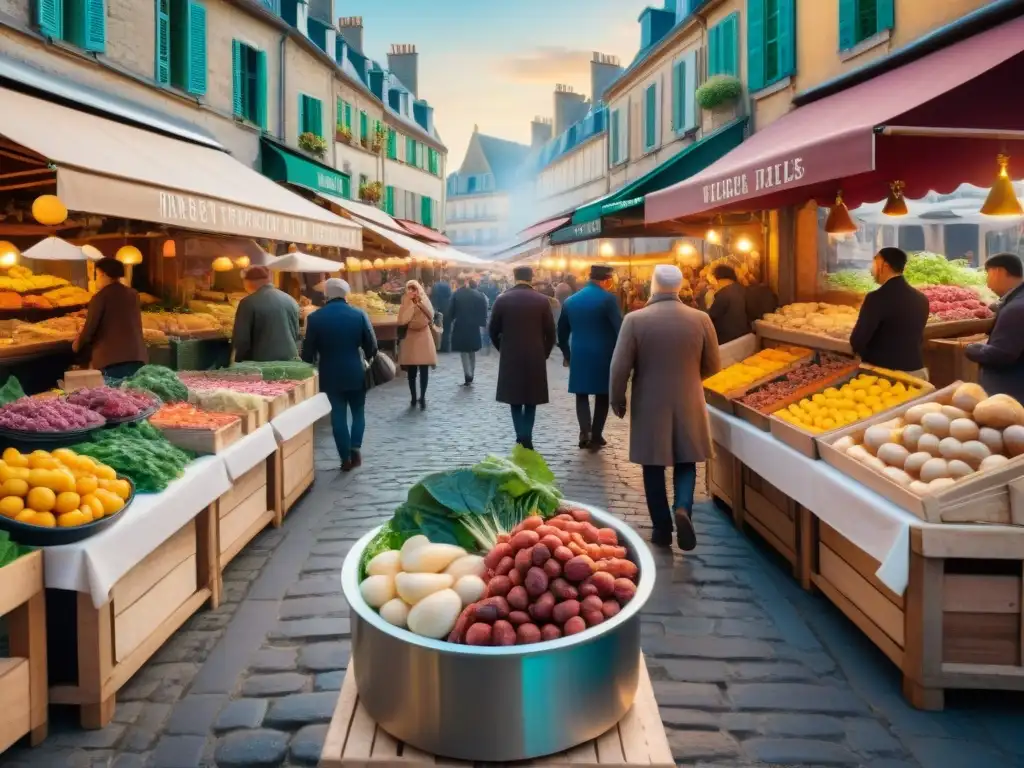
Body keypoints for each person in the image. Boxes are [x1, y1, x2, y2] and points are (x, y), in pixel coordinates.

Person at [610, 264, 721, 550]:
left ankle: (661, 529)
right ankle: (682, 507)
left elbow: (619, 366)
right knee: (687, 459)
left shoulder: (635, 320)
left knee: (653, 464)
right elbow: (713, 365)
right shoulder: (701, 319)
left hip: (649, 400)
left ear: (654, 286)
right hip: (689, 397)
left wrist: (617, 397)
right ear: (680, 286)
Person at [301, 279, 377, 471]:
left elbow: (307, 353)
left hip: (329, 372)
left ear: (326, 294)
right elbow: (371, 346)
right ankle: (355, 446)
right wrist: (366, 357)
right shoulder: (359, 315)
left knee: (338, 416)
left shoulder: (315, 317)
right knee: (358, 412)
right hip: (355, 370)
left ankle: (345, 458)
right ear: (346, 293)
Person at [489, 266, 556, 449]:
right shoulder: (542, 301)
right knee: (531, 398)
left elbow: (492, 330)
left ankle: (521, 435)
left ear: (514, 277)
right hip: (535, 354)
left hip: (511, 353)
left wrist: (502, 348)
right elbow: (551, 332)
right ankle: (527, 435)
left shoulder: (502, 300)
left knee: (515, 398)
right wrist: (545, 353)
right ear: (531, 277)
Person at [558, 264, 622, 450]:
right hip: (604, 353)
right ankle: (597, 434)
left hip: (579, 352)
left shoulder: (571, 301)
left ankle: (584, 431)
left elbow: (561, 332)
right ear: (607, 279)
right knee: (603, 395)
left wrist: (566, 353)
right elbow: (620, 329)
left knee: (581, 393)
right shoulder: (608, 299)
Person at [849, 247, 930, 376]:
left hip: (886, 375)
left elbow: (858, 340)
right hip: (917, 371)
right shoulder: (922, 299)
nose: (872, 269)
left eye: (875, 261)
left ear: (885, 265)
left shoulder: (876, 298)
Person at [73, 257, 147, 379]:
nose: (96, 280)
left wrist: (77, 345)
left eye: (96, 275)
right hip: (136, 356)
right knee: (132, 395)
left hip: (112, 360)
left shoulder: (101, 297)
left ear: (104, 275)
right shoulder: (133, 294)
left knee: (115, 396)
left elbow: (90, 328)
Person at [966, 253, 1024, 402]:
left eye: (987, 274)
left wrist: (972, 348)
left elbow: (1001, 355)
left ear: (997, 272)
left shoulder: (1016, 308)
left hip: (1010, 394)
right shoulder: (1015, 302)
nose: (987, 282)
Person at [232, 265, 300, 362]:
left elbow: (242, 340)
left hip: (261, 364)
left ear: (248, 282)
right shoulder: (290, 300)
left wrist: (238, 361)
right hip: (290, 361)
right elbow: (296, 333)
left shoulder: (248, 302)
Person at [398, 280, 437, 409]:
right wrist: (410, 305)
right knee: (412, 371)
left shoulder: (424, 300)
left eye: (413, 289)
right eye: (408, 289)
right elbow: (402, 320)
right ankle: (414, 397)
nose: (411, 292)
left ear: (418, 289)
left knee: (424, 369)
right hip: (411, 337)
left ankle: (423, 397)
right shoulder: (405, 301)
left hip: (423, 336)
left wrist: (418, 303)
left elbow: (430, 316)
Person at [448, 277, 489, 386]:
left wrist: (450, 320)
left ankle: (468, 374)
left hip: (461, 324)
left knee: (464, 351)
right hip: (474, 325)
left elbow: (451, 310)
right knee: (472, 350)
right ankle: (471, 373)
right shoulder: (477, 294)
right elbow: (483, 307)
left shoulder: (456, 294)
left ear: (457, 283)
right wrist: (482, 322)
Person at [706, 265, 750, 345]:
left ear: (718, 278)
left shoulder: (724, 294)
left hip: (727, 340)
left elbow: (711, 317)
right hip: (743, 337)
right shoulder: (742, 289)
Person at [430, 278, 453, 353]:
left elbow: (433, 298)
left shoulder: (435, 286)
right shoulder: (448, 287)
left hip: (437, 311)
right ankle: (445, 347)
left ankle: (437, 346)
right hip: (448, 310)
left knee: (437, 329)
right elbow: (450, 297)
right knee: (447, 329)